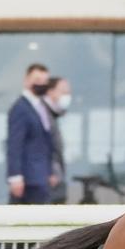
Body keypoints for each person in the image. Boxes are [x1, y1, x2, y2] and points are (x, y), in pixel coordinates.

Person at [6, 63, 57, 205]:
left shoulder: (41, 107)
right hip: (28, 180)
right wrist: (15, 177)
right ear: (26, 80)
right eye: (37, 80)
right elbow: (14, 144)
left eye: (44, 81)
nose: (41, 84)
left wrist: (50, 172)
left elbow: (44, 142)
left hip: (41, 177)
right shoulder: (20, 108)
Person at [42, 76, 71, 204]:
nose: (67, 96)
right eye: (63, 92)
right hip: (49, 179)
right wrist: (50, 171)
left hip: (55, 178)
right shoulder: (42, 114)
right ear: (50, 91)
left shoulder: (53, 115)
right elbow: (41, 145)